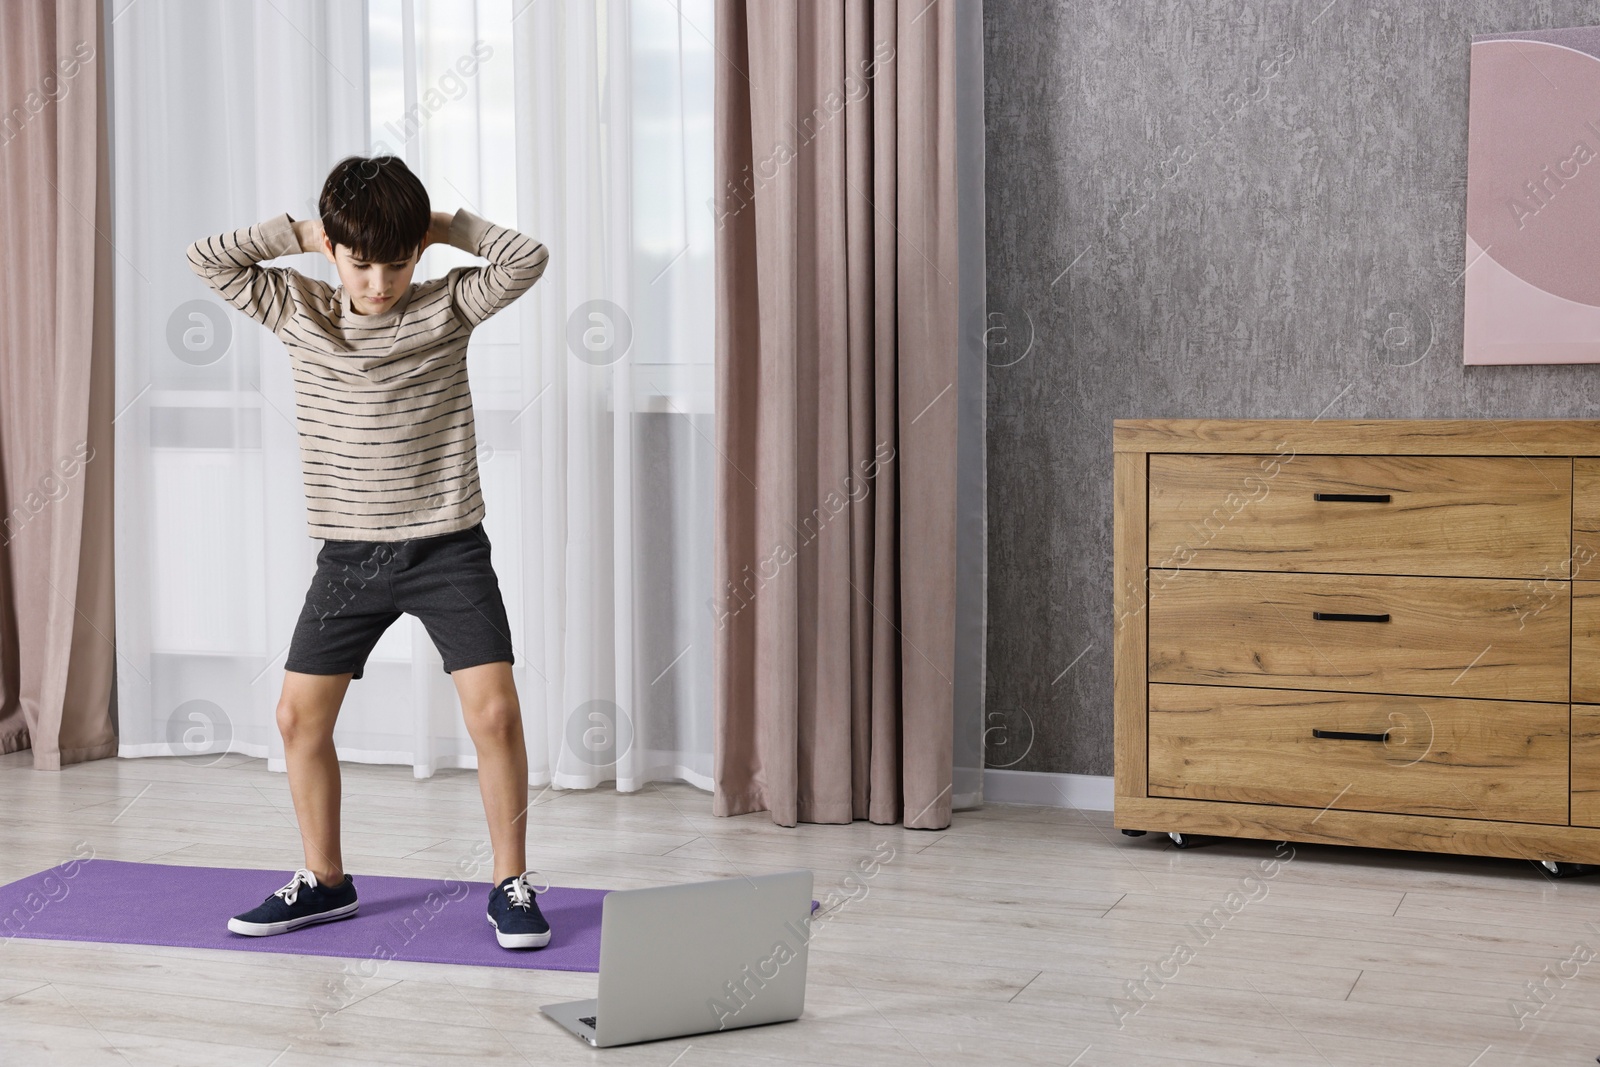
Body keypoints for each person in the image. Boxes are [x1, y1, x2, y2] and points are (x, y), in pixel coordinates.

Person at [184, 155, 554, 950]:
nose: (379, 282)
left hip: (448, 545)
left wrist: (448, 227)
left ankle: (511, 882)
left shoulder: (448, 306)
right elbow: (209, 257)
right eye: (361, 261)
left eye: (396, 261)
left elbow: (527, 257)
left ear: (417, 253)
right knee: (295, 718)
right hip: (350, 555)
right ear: (335, 251)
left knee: (494, 712)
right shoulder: (297, 308)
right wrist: (302, 233)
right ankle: (325, 881)